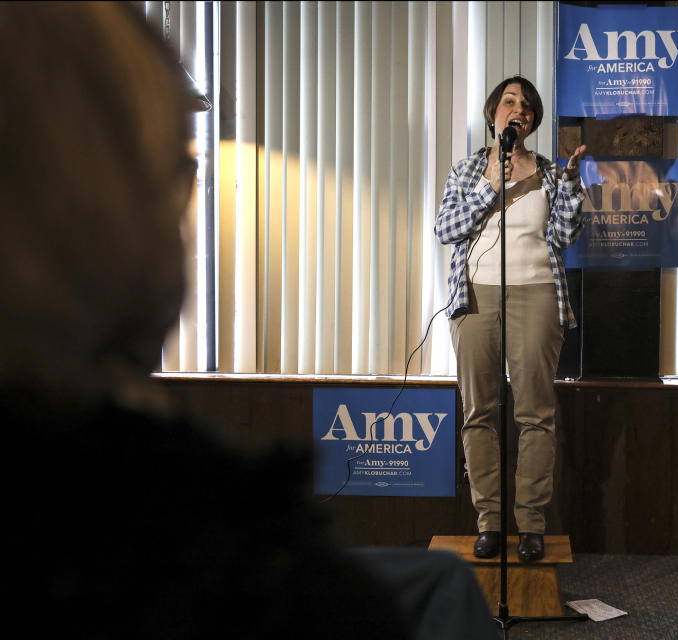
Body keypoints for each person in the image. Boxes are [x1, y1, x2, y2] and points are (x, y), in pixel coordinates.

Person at [1, 4, 497, 638]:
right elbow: (449, 227)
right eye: (175, 175)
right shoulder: (220, 545)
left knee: (440, 580)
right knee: (441, 591)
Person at [435, 76, 588, 562]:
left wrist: (570, 181)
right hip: (475, 297)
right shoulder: (466, 170)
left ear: (532, 121)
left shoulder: (547, 172)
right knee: (479, 411)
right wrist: (491, 185)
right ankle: (491, 524)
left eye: (525, 105)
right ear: (493, 114)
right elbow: (447, 228)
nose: (516, 109)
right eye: (508, 101)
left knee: (534, 414)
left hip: (538, 293)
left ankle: (532, 526)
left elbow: (564, 235)